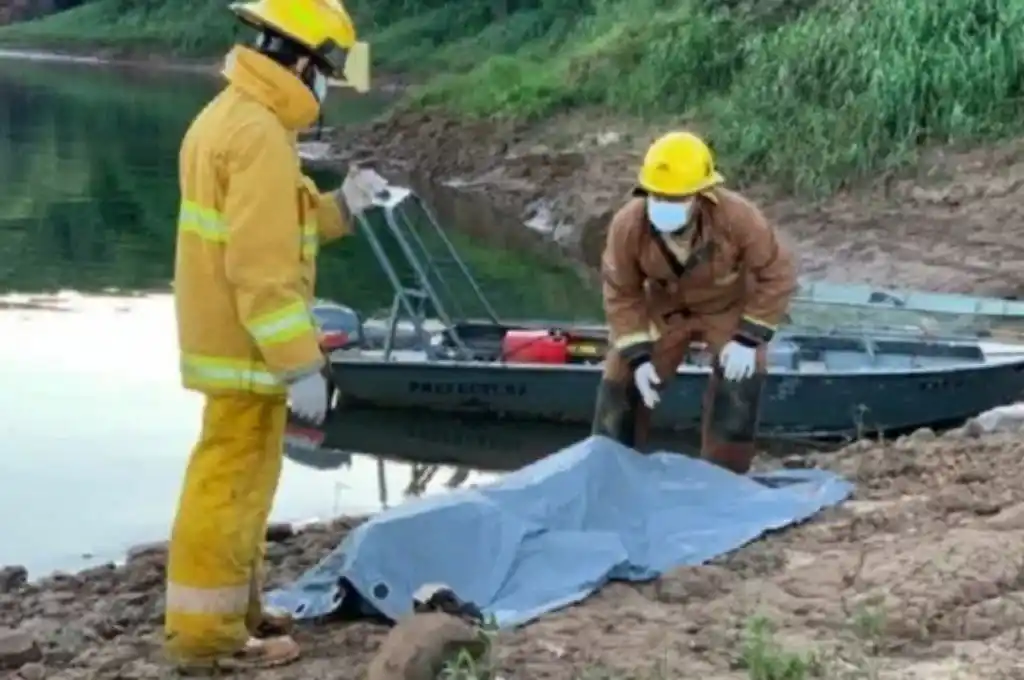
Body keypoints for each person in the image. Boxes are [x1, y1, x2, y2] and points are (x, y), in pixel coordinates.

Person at [166, 0, 385, 670]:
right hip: (246, 348)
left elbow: (279, 227)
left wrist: (343, 206)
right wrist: (301, 364)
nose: (325, 91)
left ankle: (240, 611)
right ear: (301, 63)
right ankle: (208, 639)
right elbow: (262, 271)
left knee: (246, 485)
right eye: (325, 74)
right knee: (229, 487)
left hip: (236, 343)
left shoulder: (237, 117)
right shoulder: (257, 135)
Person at [592, 131, 797, 473]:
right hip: (666, 308)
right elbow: (621, 292)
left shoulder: (737, 217)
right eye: (658, 196)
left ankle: (724, 473)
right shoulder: (629, 225)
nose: (664, 205)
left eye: (676, 198)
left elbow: (777, 273)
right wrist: (638, 356)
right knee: (621, 374)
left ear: (701, 196)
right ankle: (609, 469)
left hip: (726, 306)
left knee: (742, 376)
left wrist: (748, 339)